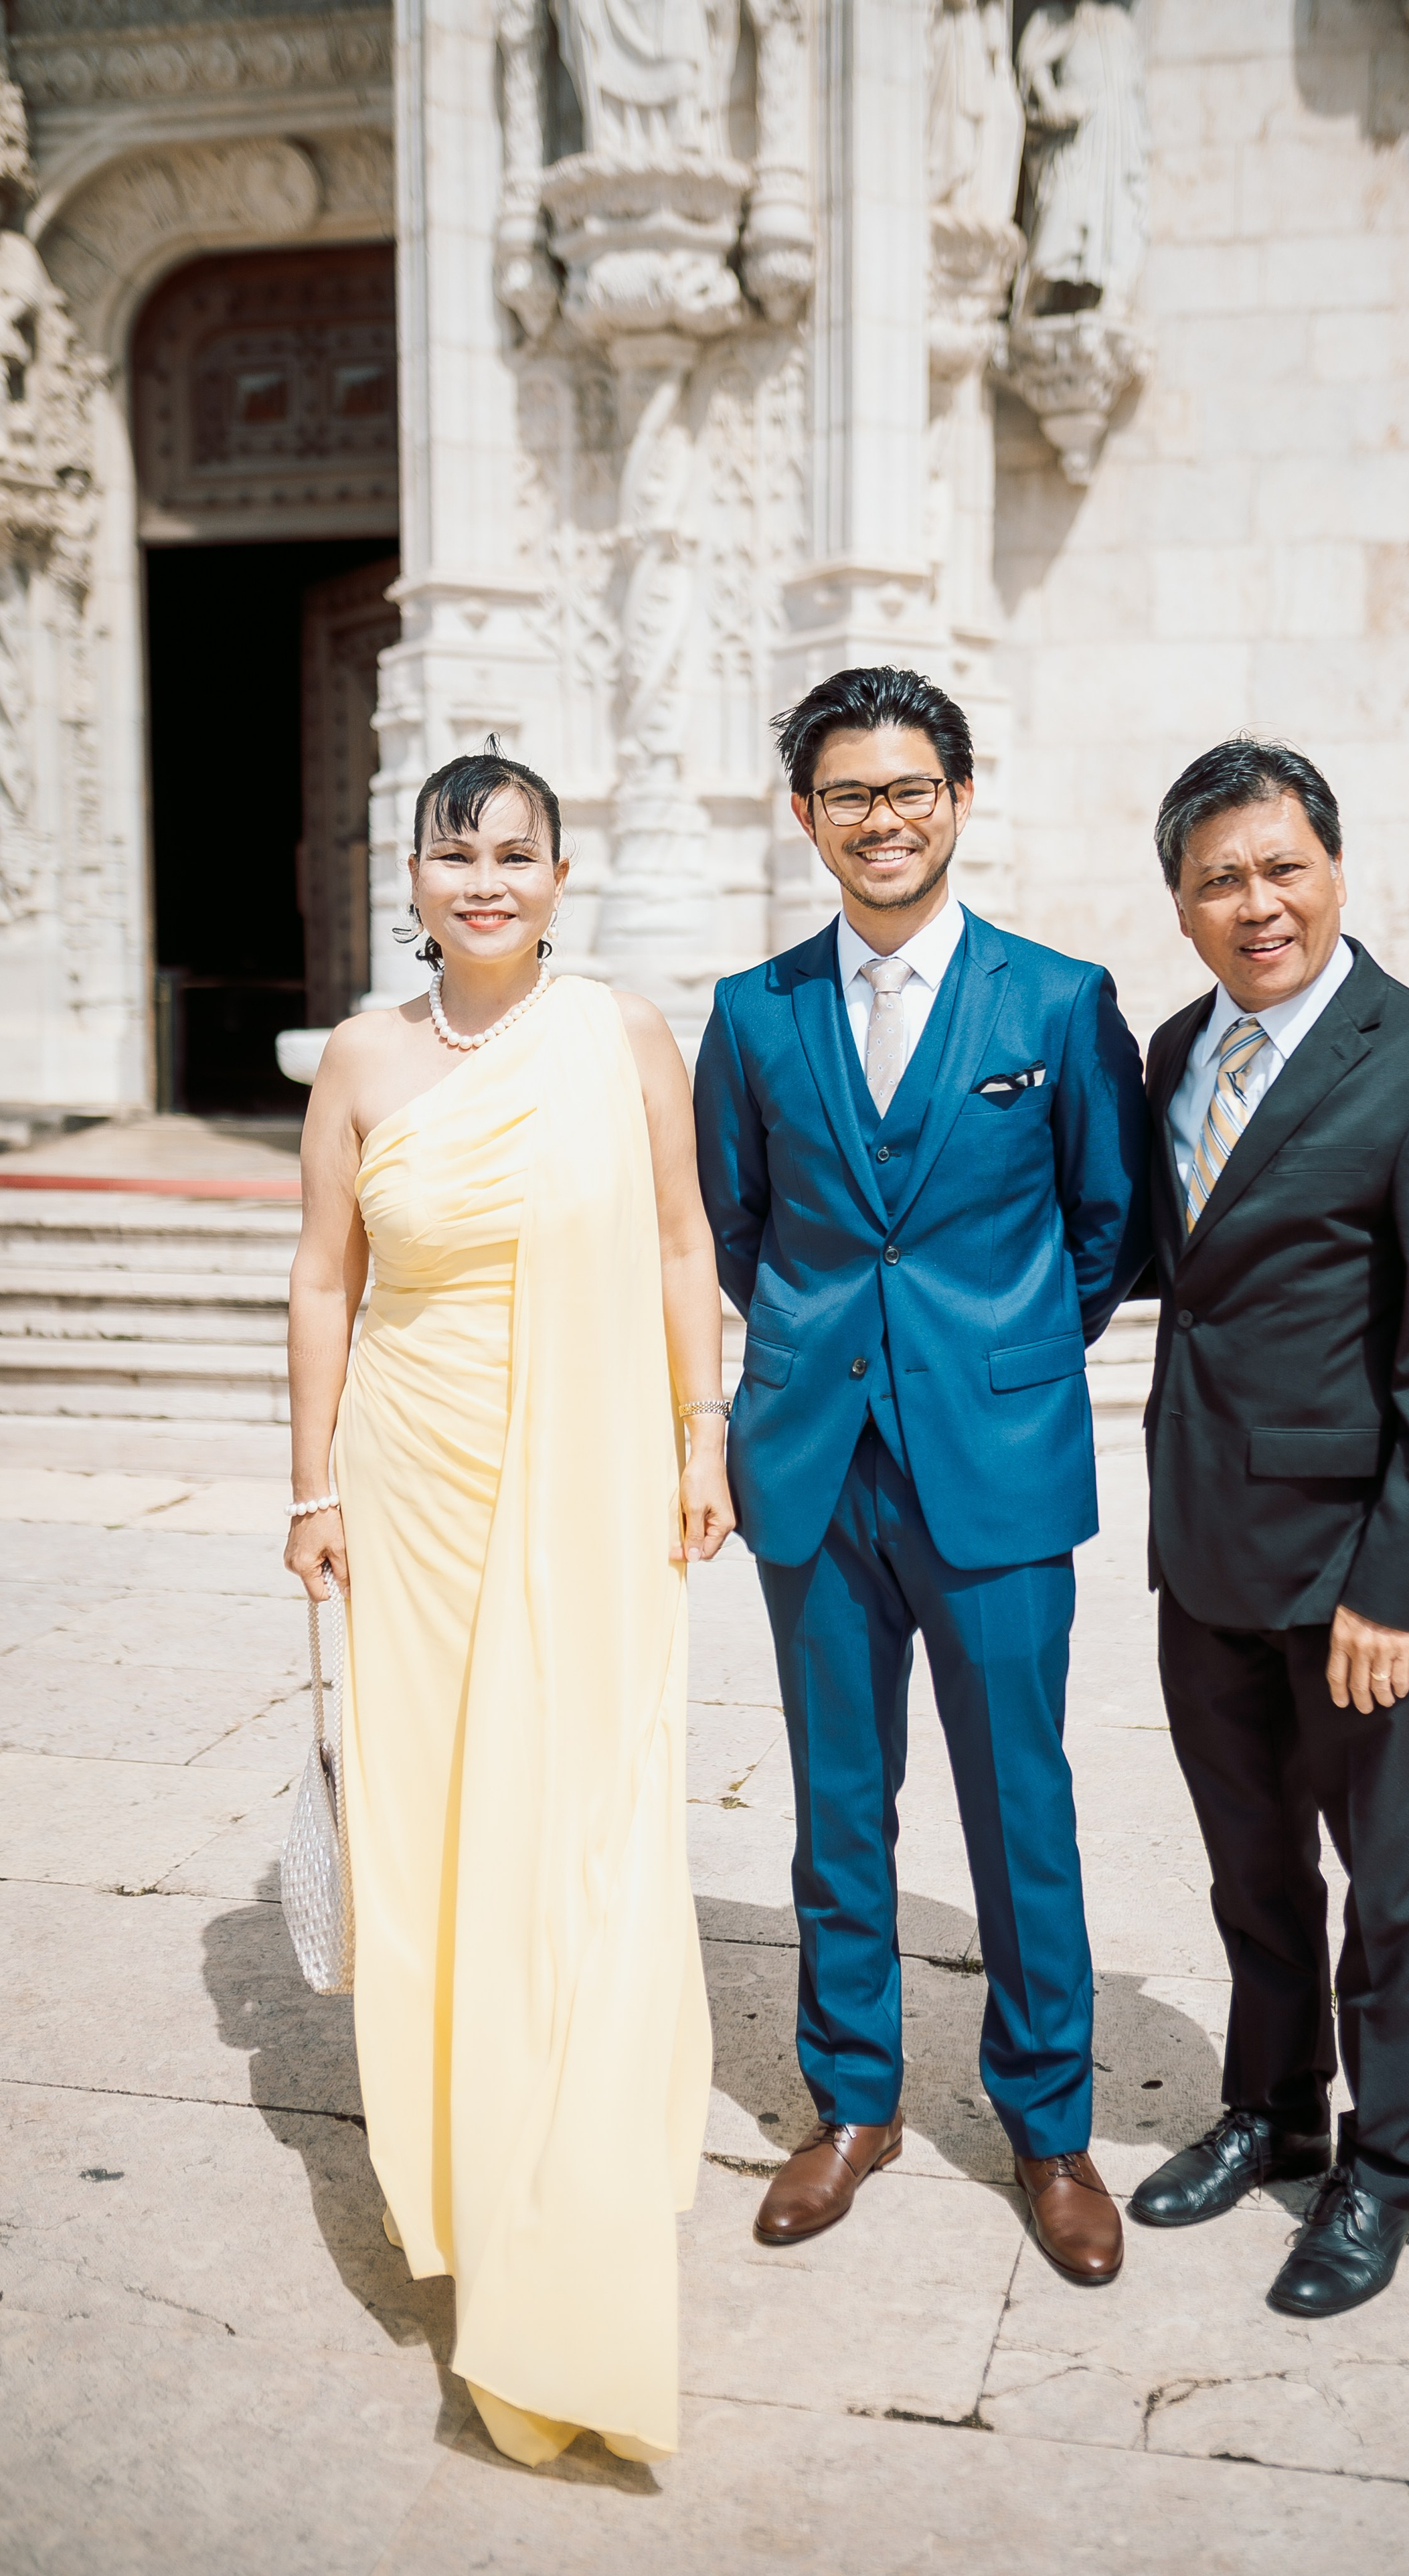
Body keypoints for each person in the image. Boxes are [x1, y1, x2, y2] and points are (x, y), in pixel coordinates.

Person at [284, 742, 733, 2466]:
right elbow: (326, 1276)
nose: (485, 878)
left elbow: (686, 1242)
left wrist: (702, 1438)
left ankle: (578, 2184)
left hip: (593, 1478)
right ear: (409, 878)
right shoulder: (362, 1058)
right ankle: (467, 2184)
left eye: (516, 852)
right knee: (435, 1838)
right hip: (406, 1486)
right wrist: (311, 1481)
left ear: (562, 877)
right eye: (454, 851)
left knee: (579, 1824)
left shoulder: (617, 1034)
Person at [693, 665, 1149, 2283]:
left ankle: (1047, 2127)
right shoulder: (753, 1014)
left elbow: (1107, 1231)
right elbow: (737, 1231)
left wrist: (991, 1358)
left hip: (998, 1461)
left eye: (906, 789)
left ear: (958, 797)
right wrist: (826, 1368)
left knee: (1021, 1802)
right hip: (813, 1465)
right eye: (846, 795)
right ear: (803, 814)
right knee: (834, 1807)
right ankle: (851, 2102)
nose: (879, 819)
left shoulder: (1056, 1001)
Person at [1130, 737, 1409, 2317]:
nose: (1255, 903)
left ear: (1335, 869)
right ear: (1178, 903)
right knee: (1250, 1874)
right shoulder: (1173, 1050)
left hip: (1367, 1572)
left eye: (1279, 866)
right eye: (1217, 878)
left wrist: (1396, 1582)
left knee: (1400, 1889)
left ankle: (1384, 2173)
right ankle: (1271, 2107)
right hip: (1207, 1551)